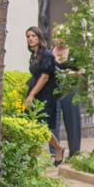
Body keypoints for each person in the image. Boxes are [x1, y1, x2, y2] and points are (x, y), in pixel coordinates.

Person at [24, 26, 64, 166]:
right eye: (28, 36)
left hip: (46, 94)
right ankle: (31, 155)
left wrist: (32, 95)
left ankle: (57, 149)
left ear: (40, 38)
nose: (30, 39)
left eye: (33, 36)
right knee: (32, 123)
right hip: (36, 91)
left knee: (42, 125)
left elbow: (45, 77)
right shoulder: (34, 55)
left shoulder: (46, 54)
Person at [52, 28, 83, 157]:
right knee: (53, 122)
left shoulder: (74, 53)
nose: (60, 39)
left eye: (63, 36)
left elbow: (82, 71)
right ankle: (54, 153)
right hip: (53, 90)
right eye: (58, 36)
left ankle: (74, 153)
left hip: (70, 90)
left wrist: (72, 73)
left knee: (73, 121)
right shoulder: (49, 52)